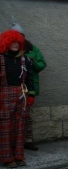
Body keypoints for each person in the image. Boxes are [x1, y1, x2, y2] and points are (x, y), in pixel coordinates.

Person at [0, 30, 35, 168]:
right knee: (5, 126)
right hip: (4, 94)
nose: (15, 44)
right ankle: (7, 158)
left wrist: (31, 95)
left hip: (22, 94)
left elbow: (30, 78)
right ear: (6, 43)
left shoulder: (25, 59)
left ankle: (19, 155)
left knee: (21, 125)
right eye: (12, 41)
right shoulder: (1, 58)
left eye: (17, 42)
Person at [11, 22, 47, 151]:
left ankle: (27, 140)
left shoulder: (32, 49)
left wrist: (30, 62)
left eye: (20, 36)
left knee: (26, 117)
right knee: (10, 117)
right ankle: (12, 143)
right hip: (11, 89)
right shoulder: (6, 49)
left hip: (27, 88)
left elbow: (42, 64)